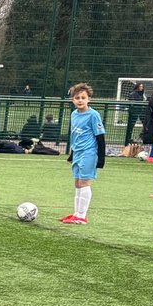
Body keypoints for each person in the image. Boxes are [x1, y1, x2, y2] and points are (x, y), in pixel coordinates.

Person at [59, 83, 106, 225]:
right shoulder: (74, 114)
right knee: (77, 183)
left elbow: (100, 137)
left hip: (89, 152)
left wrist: (101, 158)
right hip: (78, 152)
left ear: (89, 99)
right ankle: (76, 213)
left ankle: (82, 216)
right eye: (77, 98)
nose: (80, 100)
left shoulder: (93, 115)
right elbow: (75, 136)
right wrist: (72, 154)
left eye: (83, 98)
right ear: (73, 100)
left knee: (85, 182)